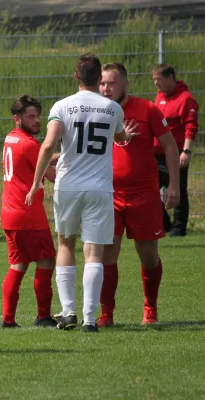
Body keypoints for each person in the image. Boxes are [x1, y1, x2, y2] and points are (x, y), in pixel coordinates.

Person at [25, 53, 138, 332]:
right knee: (94, 253)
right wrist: (126, 137)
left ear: (75, 77)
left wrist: (36, 181)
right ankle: (90, 319)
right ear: (100, 78)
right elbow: (120, 136)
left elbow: (49, 144)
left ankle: (68, 312)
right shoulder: (112, 108)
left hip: (68, 186)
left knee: (65, 245)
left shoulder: (63, 106)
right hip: (100, 188)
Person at [98, 63, 180, 326]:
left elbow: (170, 146)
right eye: (102, 84)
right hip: (108, 194)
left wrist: (175, 186)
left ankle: (150, 307)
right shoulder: (96, 112)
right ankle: (107, 314)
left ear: (125, 84)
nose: (106, 89)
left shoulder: (148, 109)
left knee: (148, 255)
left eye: (111, 83)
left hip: (144, 194)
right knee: (107, 254)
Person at [0, 95, 57, 329]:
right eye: (30, 117)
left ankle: (8, 319)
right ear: (17, 119)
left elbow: (37, 160)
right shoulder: (31, 144)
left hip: (10, 213)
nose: (37, 121)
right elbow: (51, 174)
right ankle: (43, 317)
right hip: (28, 215)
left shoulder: (10, 138)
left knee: (18, 265)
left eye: (38, 116)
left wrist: (60, 156)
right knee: (46, 261)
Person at [152, 64, 199, 237]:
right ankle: (165, 224)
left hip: (176, 153)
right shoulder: (159, 97)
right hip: (156, 154)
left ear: (170, 77)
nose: (156, 83)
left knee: (178, 190)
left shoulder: (186, 99)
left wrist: (186, 151)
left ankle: (179, 228)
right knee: (149, 190)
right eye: (154, 79)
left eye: (159, 79)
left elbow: (190, 126)